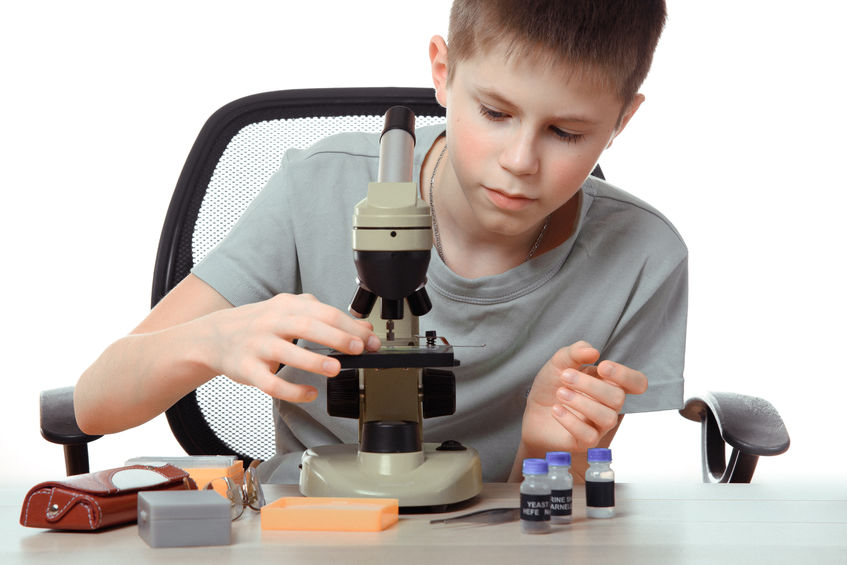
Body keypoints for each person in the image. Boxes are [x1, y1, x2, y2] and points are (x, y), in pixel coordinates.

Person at [74, 0, 686, 483]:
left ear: (620, 123)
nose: (521, 160)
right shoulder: (315, 186)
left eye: (566, 131)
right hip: (313, 532)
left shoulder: (641, 256)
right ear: (443, 74)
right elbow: (94, 403)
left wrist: (544, 451)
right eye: (495, 113)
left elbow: (557, 514)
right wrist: (212, 339)